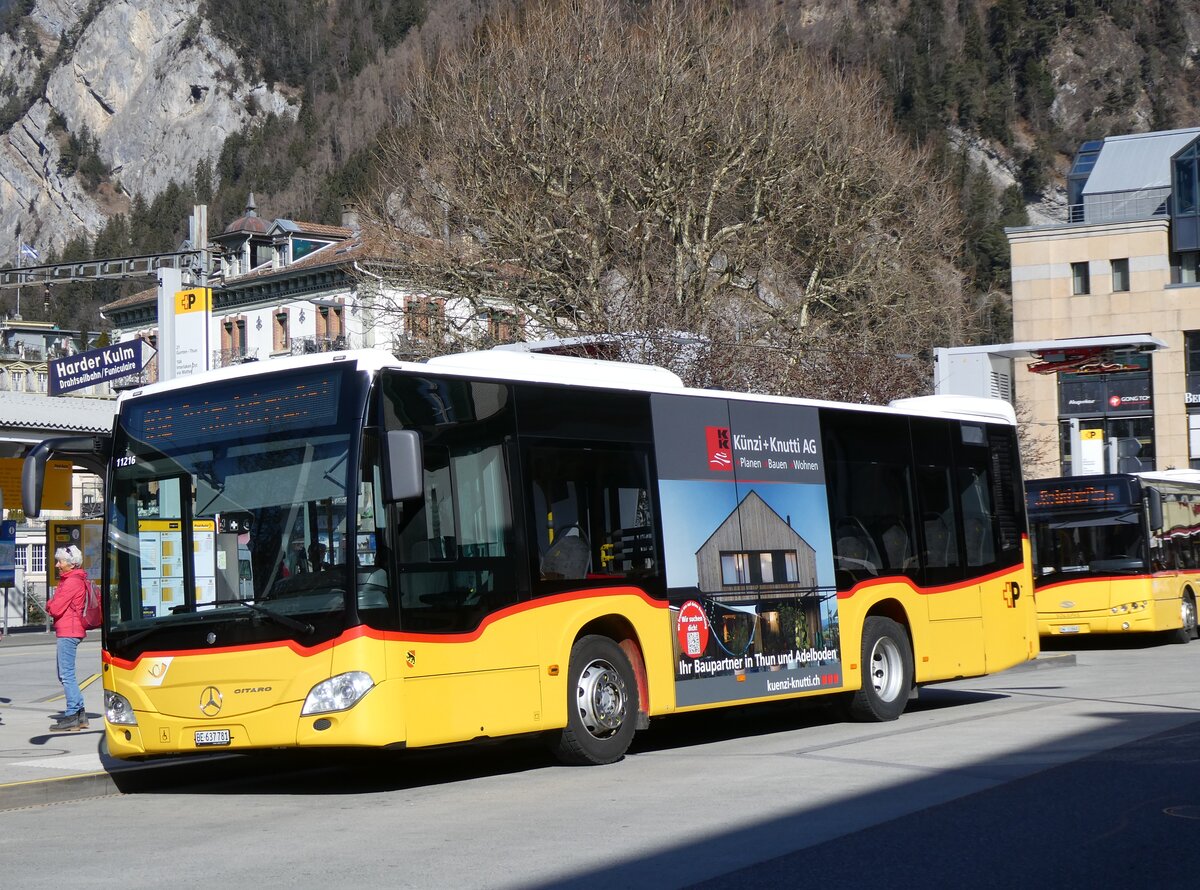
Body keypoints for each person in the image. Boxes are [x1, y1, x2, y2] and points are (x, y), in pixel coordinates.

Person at [47, 545, 89, 732]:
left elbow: (55, 608)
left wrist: (49, 604)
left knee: (66, 674)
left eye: (60, 561)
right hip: (70, 629)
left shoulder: (71, 582)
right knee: (65, 673)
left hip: (69, 631)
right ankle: (80, 715)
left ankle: (73, 714)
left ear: (71, 564)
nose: (57, 564)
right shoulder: (73, 579)